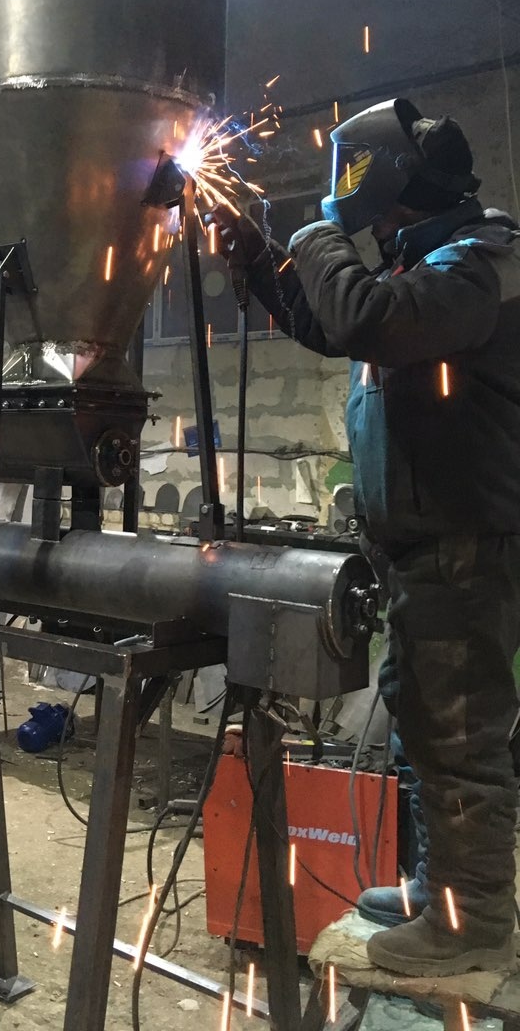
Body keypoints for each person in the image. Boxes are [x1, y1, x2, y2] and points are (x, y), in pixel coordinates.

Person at [210, 97, 520, 977]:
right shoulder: (430, 268)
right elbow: (327, 321)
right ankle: (438, 892)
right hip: (422, 547)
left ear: (390, 188)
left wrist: (319, 231)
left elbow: (362, 318)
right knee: (420, 727)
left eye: (372, 211)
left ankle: (474, 923)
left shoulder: (483, 262)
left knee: (458, 738)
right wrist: (262, 260)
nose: (371, 228)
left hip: (464, 543)